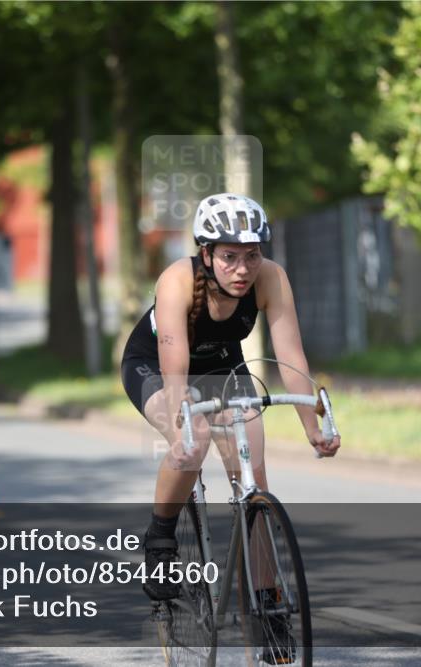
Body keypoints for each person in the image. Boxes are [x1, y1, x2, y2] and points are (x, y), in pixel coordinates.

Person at [120, 193, 340, 657]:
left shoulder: (271, 278)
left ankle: (269, 609)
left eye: (252, 255)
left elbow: (290, 355)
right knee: (193, 439)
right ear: (206, 254)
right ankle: (160, 540)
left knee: (254, 482)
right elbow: (174, 360)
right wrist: (181, 425)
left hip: (224, 368)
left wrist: (311, 426)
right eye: (230, 257)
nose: (243, 269)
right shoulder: (177, 280)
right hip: (156, 367)